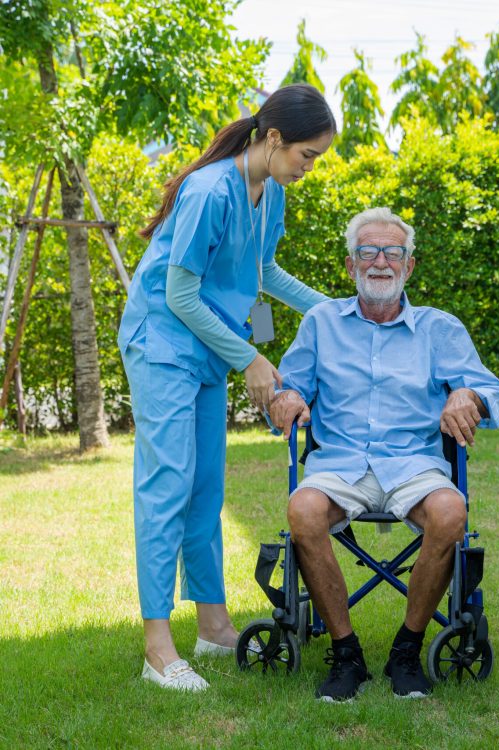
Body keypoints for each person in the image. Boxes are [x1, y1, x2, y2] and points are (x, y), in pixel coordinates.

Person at [118, 84, 336, 691]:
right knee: (167, 485)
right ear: (273, 139)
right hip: (161, 342)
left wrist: (338, 310)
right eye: (308, 156)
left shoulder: (271, 198)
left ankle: (212, 625)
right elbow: (179, 294)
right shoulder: (209, 191)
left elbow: (261, 276)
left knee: (205, 486)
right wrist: (251, 362)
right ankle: (157, 649)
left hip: (210, 349)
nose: (308, 168)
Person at [269, 206, 499, 703]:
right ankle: (346, 653)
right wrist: (286, 397)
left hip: (413, 464)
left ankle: (407, 648)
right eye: (368, 252)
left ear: (409, 265)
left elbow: (494, 392)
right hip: (339, 463)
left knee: (451, 512)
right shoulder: (320, 323)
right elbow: (288, 387)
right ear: (350, 265)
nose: (381, 261)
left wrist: (471, 397)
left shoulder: (439, 329)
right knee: (303, 510)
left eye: (393, 252)